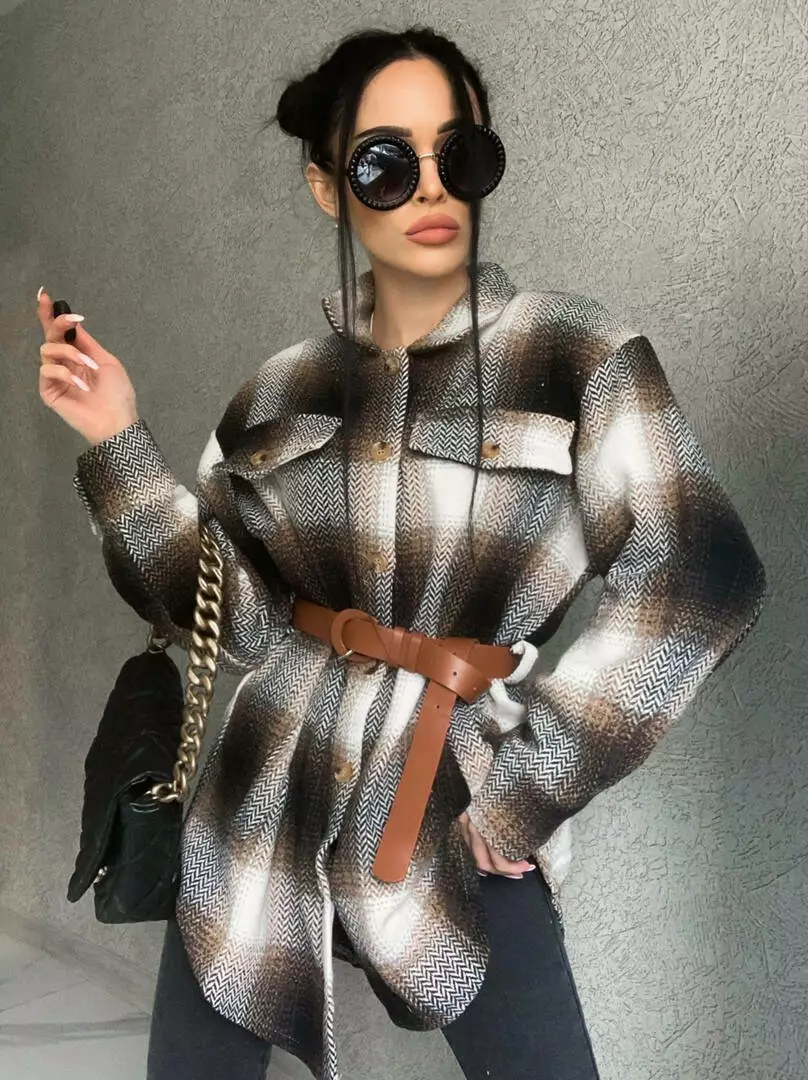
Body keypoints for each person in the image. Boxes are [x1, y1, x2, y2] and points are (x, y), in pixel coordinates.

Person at [35, 25, 766, 1080]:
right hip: (263, 788)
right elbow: (231, 619)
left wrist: (534, 783)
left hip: (450, 792)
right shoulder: (277, 392)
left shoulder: (577, 354)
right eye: (385, 160)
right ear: (328, 185)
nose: (430, 185)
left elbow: (701, 575)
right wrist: (118, 442)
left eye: (459, 154)